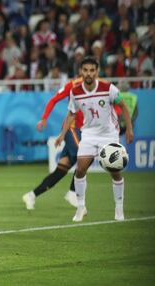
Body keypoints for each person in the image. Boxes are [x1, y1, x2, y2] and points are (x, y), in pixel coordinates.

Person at [54, 57, 133, 222]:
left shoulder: (108, 88)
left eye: (92, 70)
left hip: (109, 134)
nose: (88, 73)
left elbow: (123, 106)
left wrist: (129, 129)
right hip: (89, 134)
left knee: (115, 171)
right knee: (80, 169)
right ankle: (80, 207)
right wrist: (62, 134)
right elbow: (71, 114)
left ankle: (119, 208)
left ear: (97, 72)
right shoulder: (75, 92)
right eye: (85, 70)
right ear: (81, 72)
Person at [22, 77, 84, 210]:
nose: (89, 73)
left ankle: (31, 195)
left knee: (60, 171)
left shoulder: (101, 87)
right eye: (86, 70)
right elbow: (54, 99)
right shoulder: (73, 85)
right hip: (72, 128)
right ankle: (73, 192)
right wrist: (44, 119)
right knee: (84, 156)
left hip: (85, 132)